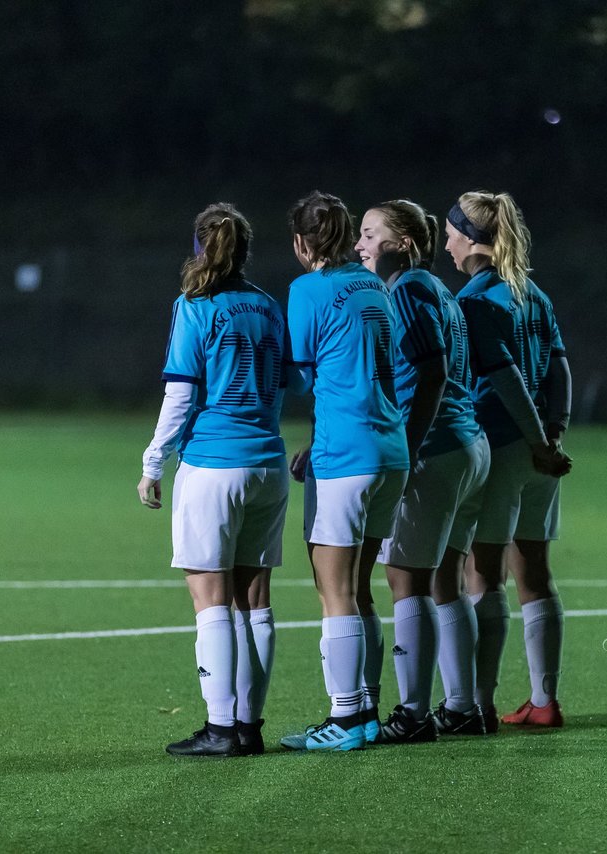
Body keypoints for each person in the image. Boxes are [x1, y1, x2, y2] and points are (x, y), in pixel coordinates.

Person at [137, 203, 287, 757]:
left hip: (213, 466)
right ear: (246, 252)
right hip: (268, 464)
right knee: (256, 600)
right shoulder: (271, 307)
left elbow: (181, 394)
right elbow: (288, 381)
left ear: (200, 248)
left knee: (211, 599)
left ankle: (221, 728)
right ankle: (249, 726)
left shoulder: (194, 305)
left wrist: (154, 462)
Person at [352, 200, 492, 742]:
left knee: (404, 581)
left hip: (435, 450)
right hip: (467, 444)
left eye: (370, 234)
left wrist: (407, 450)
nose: (359, 244)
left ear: (404, 244)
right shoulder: (439, 292)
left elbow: (430, 373)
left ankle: (412, 714)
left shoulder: (408, 289)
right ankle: (462, 707)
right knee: (444, 581)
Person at [279, 191, 409, 752]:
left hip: (345, 456)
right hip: (391, 449)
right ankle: (370, 709)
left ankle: (346, 719)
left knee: (333, 592)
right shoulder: (374, 284)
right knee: (361, 589)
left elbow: (305, 373)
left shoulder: (307, 289)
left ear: (302, 242)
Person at [446, 190, 573, 729]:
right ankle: (543, 701)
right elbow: (561, 371)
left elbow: (506, 378)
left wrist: (535, 439)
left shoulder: (475, 301)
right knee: (536, 574)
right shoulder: (533, 294)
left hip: (502, 446)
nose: (445, 244)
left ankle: (478, 703)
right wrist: (553, 435)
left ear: (472, 241)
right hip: (540, 452)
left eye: (451, 234)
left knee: (485, 575)